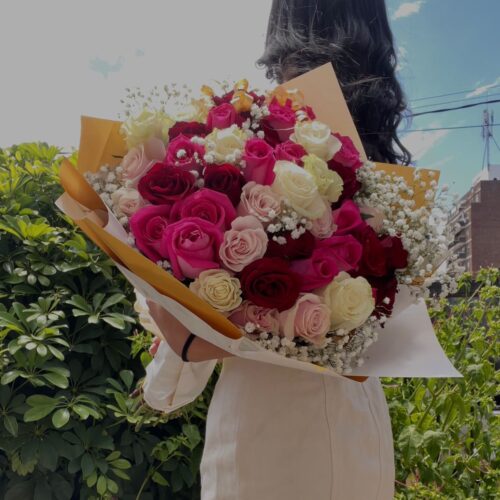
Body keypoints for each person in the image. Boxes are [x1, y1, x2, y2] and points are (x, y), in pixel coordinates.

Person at [141, 1, 412, 498]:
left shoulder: (256, 140)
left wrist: (172, 335)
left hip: (267, 436)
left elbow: (188, 358)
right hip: (359, 436)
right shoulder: (380, 168)